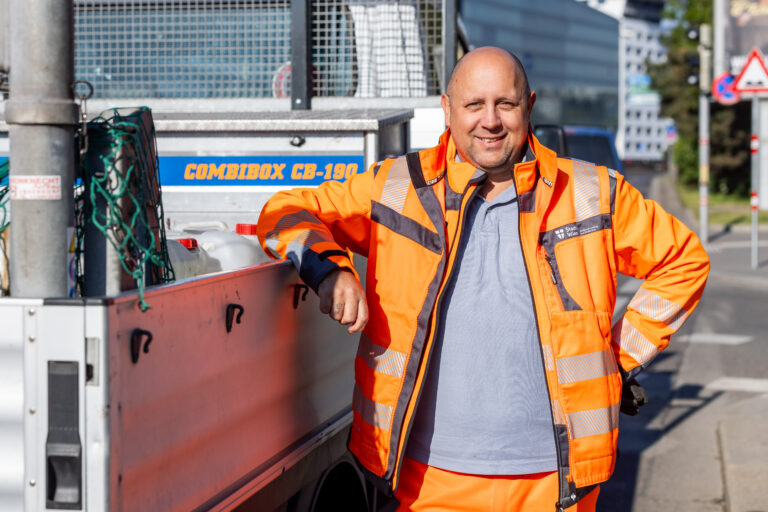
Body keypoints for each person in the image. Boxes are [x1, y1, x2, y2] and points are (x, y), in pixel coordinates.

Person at [256, 47, 709, 511]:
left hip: (555, 482)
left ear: (528, 105)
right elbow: (284, 211)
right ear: (447, 110)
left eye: (505, 104)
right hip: (429, 479)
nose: (489, 120)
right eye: (473, 105)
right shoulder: (397, 187)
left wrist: (616, 358)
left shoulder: (592, 193)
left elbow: (685, 262)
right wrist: (328, 269)